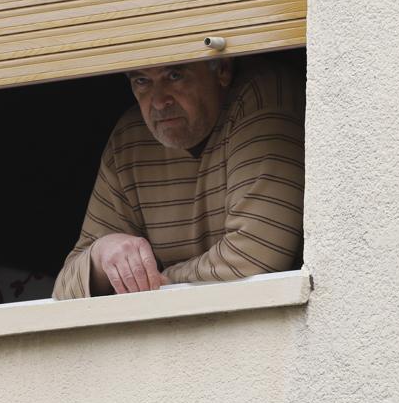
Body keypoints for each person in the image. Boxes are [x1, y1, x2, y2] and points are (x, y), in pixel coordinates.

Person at [52, 55, 304, 299]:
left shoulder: (264, 95)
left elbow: (256, 257)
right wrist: (101, 255)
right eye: (142, 81)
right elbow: (64, 291)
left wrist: (157, 282)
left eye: (174, 75)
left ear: (222, 70)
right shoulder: (129, 139)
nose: (159, 101)